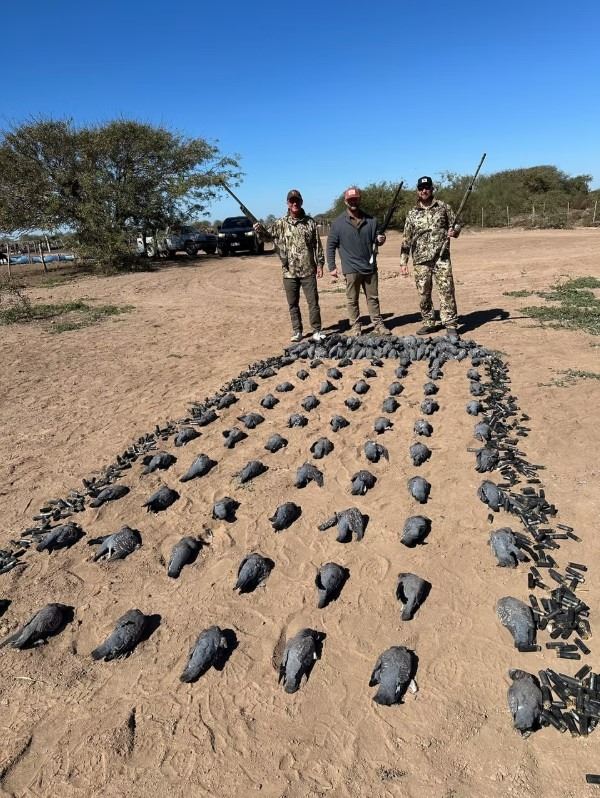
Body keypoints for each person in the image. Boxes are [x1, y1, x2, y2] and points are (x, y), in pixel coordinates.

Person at [254, 189, 326, 342]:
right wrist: (259, 231)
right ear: (287, 203)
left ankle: (316, 330)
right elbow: (267, 238)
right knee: (293, 304)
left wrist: (320, 264)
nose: (294, 203)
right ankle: (297, 331)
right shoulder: (280, 223)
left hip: (308, 270)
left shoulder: (310, 222)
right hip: (289, 272)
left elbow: (317, 245)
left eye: (297, 200)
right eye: (292, 201)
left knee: (313, 302)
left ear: (301, 202)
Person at [400, 176, 461, 338]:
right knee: (423, 293)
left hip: (441, 257)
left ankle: (450, 324)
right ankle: (428, 322)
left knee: (447, 290)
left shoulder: (443, 207)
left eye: (427, 187)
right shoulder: (412, 213)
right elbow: (406, 238)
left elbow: (456, 224)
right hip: (420, 260)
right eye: (421, 188)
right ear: (417, 191)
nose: (424, 191)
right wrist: (403, 262)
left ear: (432, 189)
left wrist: (454, 231)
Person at [326, 186, 389, 336]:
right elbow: (330, 246)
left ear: (359, 200)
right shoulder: (338, 223)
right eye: (350, 200)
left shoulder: (371, 220)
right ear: (345, 201)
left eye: (355, 199)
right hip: (351, 268)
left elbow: (377, 240)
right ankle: (355, 327)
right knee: (352, 300)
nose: (353, 202)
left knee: (373, 298)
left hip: (369, 267)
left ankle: (378, 324)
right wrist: (332, 266)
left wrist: (381, 239)